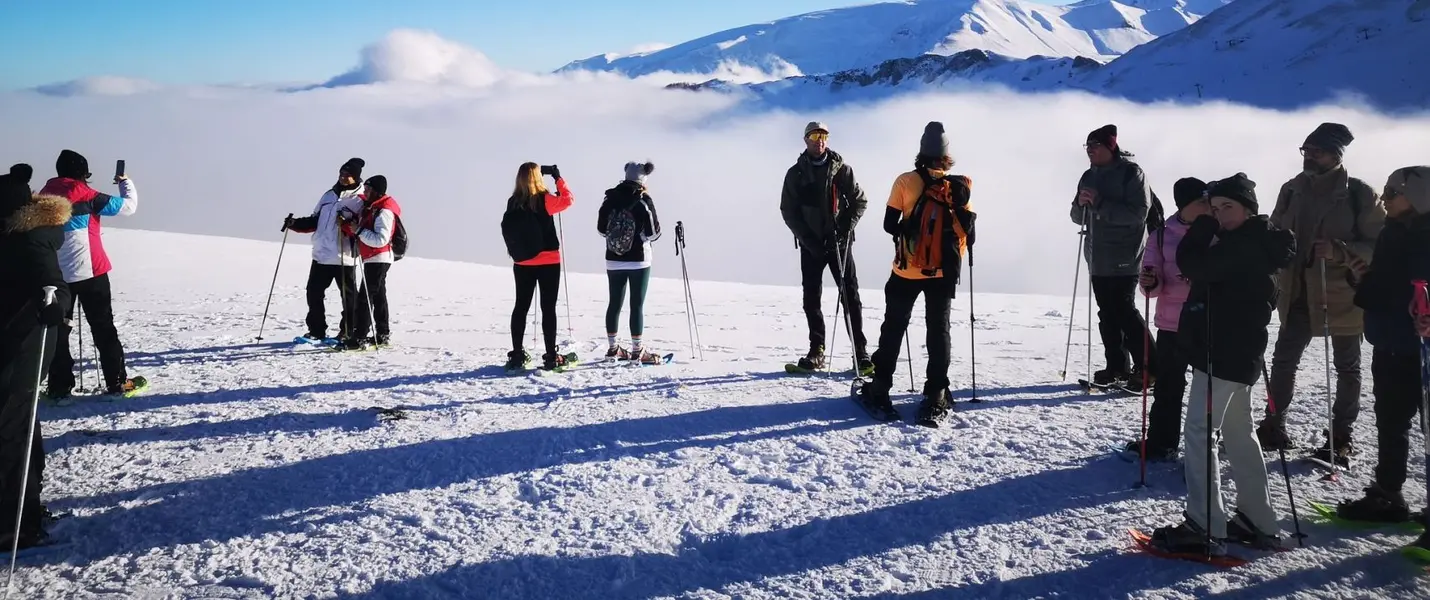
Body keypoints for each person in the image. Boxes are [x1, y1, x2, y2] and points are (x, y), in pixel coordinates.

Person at [1150, 173, 1295, 555]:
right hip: (1235, 355)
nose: (1218, 215)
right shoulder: (1251, 241)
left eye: (1227, 207)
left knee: (1200, 433)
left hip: (1223, 355)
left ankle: (1205, 524)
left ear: (1248, 208)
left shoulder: (1242, 245)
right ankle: (1257, 518)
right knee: (1237, 432)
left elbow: (1194, 264)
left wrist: (1201, 227)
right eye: (1214, 209)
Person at [1262, 122, 1386, 462]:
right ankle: (1273, 426)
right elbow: (1274, 232)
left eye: (1316, 151)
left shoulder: (1359, 194)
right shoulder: (1291, 190)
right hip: (1296, 291)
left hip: (1342, 295)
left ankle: (1341, 436)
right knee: (1283, 361)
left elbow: (1380, 245)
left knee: (1347, 368)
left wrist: (1339, 251)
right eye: (1306, 150)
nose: (1309, 156)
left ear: (1336, 154)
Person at [1332, 167, 1430, 541]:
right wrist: (1361, 276)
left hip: (1421, 346)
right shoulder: (1391, 233)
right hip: (1390, 342)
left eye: (1394, 191)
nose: (1385, 197)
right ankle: (1388, 494)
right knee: (1391, 422)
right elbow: (1386, 287)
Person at [856, 122, 975, 423]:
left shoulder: (905, 181)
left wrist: (906, 235)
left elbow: (888, 224)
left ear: (921, 151)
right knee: (938, 330)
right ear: (947, 155)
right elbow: (967, 232)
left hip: (907, 270)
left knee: (894, 326)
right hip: (942, 273)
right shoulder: (958, 189)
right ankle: (936, 393)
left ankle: (880, 388)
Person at [0, 165, 71, 548]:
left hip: (21, 349)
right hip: (12, 349)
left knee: (13, 436)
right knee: (20, 431)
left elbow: (56, 286)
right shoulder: (15, 235)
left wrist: (54, 300)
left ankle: (17, 526)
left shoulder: (29, 241)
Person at [39, 149, 144, 399]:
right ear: (81, 172)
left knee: (58, 332)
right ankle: (117, 384)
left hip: (56, 277)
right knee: (103, 328)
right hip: (92, 272)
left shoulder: (43, 197)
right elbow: (129, 207)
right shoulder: (87, 195)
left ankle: (59, 388)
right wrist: (124, 181)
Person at [1124, 178, 1210, 460]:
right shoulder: (1161, 235)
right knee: (1168, 385)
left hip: (1209, 320)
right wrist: (1150, 282)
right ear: (1186, 205)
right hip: (1172, 322)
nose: (1209, 206)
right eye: (1202, 202)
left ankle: (1204, 450)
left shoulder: (1217, 232)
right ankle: (1162, 442)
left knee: (1208, 388)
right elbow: (1151, 286)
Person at [780, 121, 872, 375]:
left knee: (850, 297)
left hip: (839, 245)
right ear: (806, 140)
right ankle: (816, 350)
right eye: (814, 135)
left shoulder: (842, 170)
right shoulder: (796, 174)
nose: (820, 140)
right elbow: (788, 210)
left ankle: (860, 352)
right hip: (811, 246)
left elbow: (859, 202)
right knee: (812, 298)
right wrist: (809, 240)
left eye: (823, 135)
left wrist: (843, 231)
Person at [1070, 124, 1158, 388]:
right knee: (1107, 313)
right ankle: (1117, 366)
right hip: (1097, 256)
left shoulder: (1131, 174)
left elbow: (1138, 215)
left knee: (1124, 311)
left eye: (1095, 146)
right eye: (1087, 146)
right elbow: (1076, 217)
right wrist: (1081, 205)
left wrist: (1099, 204)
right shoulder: (1088, 176)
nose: (1090, 151)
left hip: (1126, 254)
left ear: (1110, 147)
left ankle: (1151, 368)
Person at [285, 158, 368, 350]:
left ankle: (347, 331)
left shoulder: (360, 199)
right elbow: (315, 220)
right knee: (313, 293)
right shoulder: (328, 195)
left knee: (348, 298)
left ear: (355, 177)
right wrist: (295, 223)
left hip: (344, 257)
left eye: (348, 175)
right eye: (341, 173)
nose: (343, 177)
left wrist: (347, 225)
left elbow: (362, 226)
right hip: (321, 254)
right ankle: (316, 330)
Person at [501, 163, 574, 371]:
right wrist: (558, 178)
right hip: (549, 261)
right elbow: (568, 199)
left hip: (522, 262)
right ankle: (551, 356)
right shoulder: (545, 200)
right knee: (548, 308)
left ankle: (516, 355)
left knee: (520, 306)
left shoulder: (513, 202)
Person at [597, 161, 663, 364]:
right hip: (639, 260)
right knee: (636, 305)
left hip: (613, 259)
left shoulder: (610, 199)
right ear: (643, 179)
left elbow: (601, 230)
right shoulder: (643, 200)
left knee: (614, 303)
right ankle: (637, 351)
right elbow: (654, 233)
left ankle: (612, 349)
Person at [341, 174, 402, 348]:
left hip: (379, 257)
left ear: (377, 191)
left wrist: (358, 230)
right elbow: (361, 229)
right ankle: (382, 334)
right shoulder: (373, 208)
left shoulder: (384, 211)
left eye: (368, 189)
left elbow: (381, 239)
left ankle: (359, 338)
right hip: (374, 258)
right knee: (378, 297)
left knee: (365, 298)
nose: (365, 192)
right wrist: (348, 225)